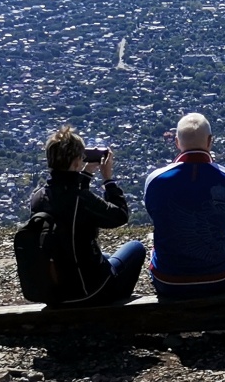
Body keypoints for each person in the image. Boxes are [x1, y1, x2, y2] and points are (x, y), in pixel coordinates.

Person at [30, 125, 145, 306]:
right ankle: (113, 300)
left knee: (106, 255)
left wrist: (86, 174)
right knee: (136, 248)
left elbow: (67, 199)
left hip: (55, 291)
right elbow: (120, 215)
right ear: (77, 162)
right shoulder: (81, 199)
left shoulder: (38, 197)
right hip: (89, 292)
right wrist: (108, 180)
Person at [143, 112, 225, 300]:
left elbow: (156, 217)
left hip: (168, 281)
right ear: (210, 141)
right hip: (220, 280)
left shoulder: (155, 179)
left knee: (156, 245)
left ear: (176, 142)